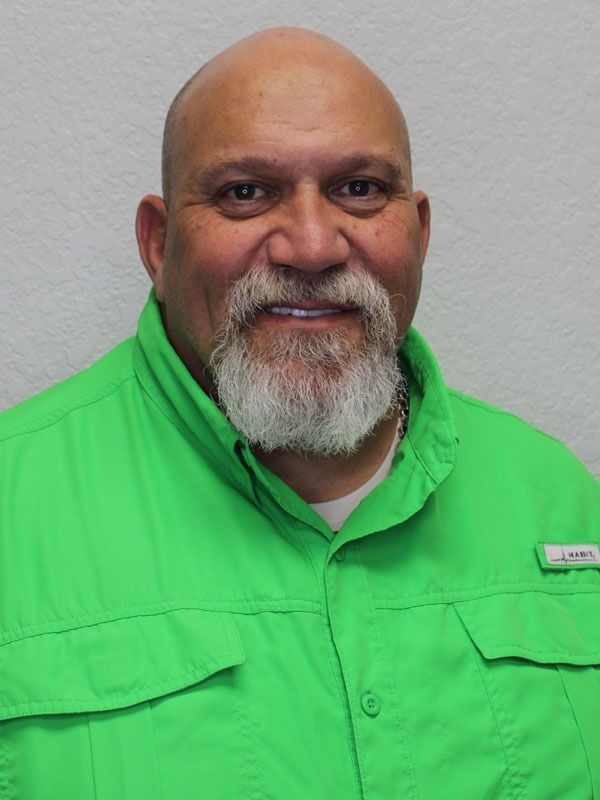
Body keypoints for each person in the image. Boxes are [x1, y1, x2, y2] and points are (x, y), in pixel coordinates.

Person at [0, 26, 598, 800]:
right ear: (157, 242)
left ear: (417, 233)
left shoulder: (561, 497)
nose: (312, 246)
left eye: (359, 189)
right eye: (245, 192)